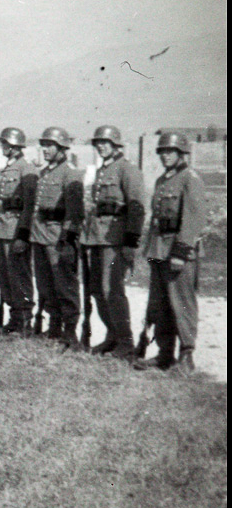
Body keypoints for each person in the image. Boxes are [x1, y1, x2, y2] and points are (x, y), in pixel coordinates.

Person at [135, 132, 206, 373]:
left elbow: (194, 218)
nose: (166, 156)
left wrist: (180, 251)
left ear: (181, 153)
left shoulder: (190, 178)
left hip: (178, 251)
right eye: (163, 151)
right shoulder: (162, 180)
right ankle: (165, 353)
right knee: (160, 303)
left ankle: (186, 356)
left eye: (171, 151)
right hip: (158, 249)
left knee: (182, 303)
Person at [80, 125, 146, 357]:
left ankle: (126, 342)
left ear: (116, 145)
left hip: (116, 240)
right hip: (98, 238)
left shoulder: (127, 170)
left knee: (112, 290)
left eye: (105, 143)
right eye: (98, 143)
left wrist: (131, 242)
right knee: (97, 290)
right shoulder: (103, 170)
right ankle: (112, 335)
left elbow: (137, 208)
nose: (101, 146)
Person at [19, 127, 85, 347]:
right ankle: (54, 326)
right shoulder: (44, 173)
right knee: (46, 286)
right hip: (40, 236)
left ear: (62, 148)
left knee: (65, 285)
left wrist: (68, 241)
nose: (45, 150)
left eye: (50, 146)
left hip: (57, 238)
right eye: (44, 145)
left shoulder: (70, 173)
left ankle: (70, 330)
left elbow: (75, 213)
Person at [0, 127, 38, 335]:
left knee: (19, 275)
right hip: (2, 229)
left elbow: (29, 206)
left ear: (14, 146)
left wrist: (23, 234)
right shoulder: (8, 168)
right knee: (5, 276)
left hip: (15, 230)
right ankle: (14, 316)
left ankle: (24, 318)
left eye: (5, 144)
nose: (2, 147)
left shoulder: (26, 169)